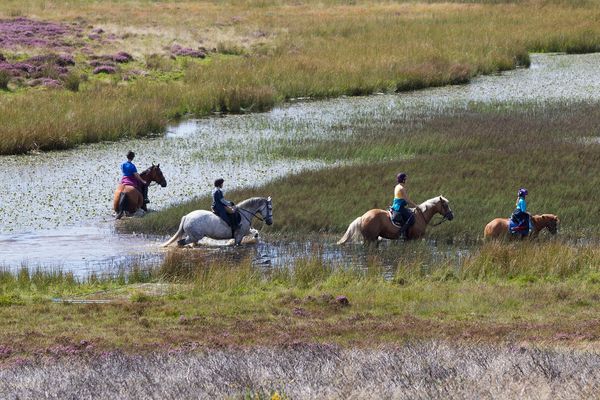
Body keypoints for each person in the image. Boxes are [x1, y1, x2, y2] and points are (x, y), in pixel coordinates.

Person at [391, 172, 418, 239]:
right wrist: (416, 206)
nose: (406, 180)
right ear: (403, 180)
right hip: (399, 207)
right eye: (405, 179)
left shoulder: (397, 186)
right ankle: (402, 233)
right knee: (411, 219)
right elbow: (407, 200)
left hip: (395, 206)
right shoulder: (401, 188)